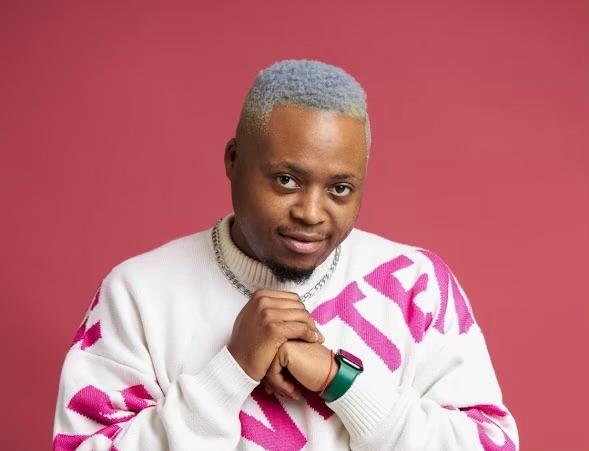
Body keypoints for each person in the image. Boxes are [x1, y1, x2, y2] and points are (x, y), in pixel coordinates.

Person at [53, 59, 519, 450]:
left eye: (340, 189)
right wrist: (230, 371)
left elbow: (489, 444)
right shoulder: (138, 293)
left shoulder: (415, 283)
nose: (311, 213)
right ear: (233, 160)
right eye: (286, 180)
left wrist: (340, 381)